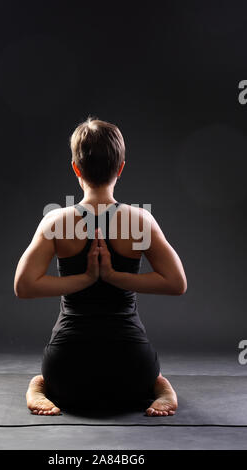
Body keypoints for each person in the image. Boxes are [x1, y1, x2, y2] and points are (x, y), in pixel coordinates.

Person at [14, 116, 187, 417]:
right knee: (156, 378)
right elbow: (177, 283)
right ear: (120, 168)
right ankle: (161, 388)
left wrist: (85, 278)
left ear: (76, 169)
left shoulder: (56, 222)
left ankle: (37, 388)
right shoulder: (140, 221)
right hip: (133, 372)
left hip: (67, 374)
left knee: (41, 379)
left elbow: (23, 286)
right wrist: (114, 276)